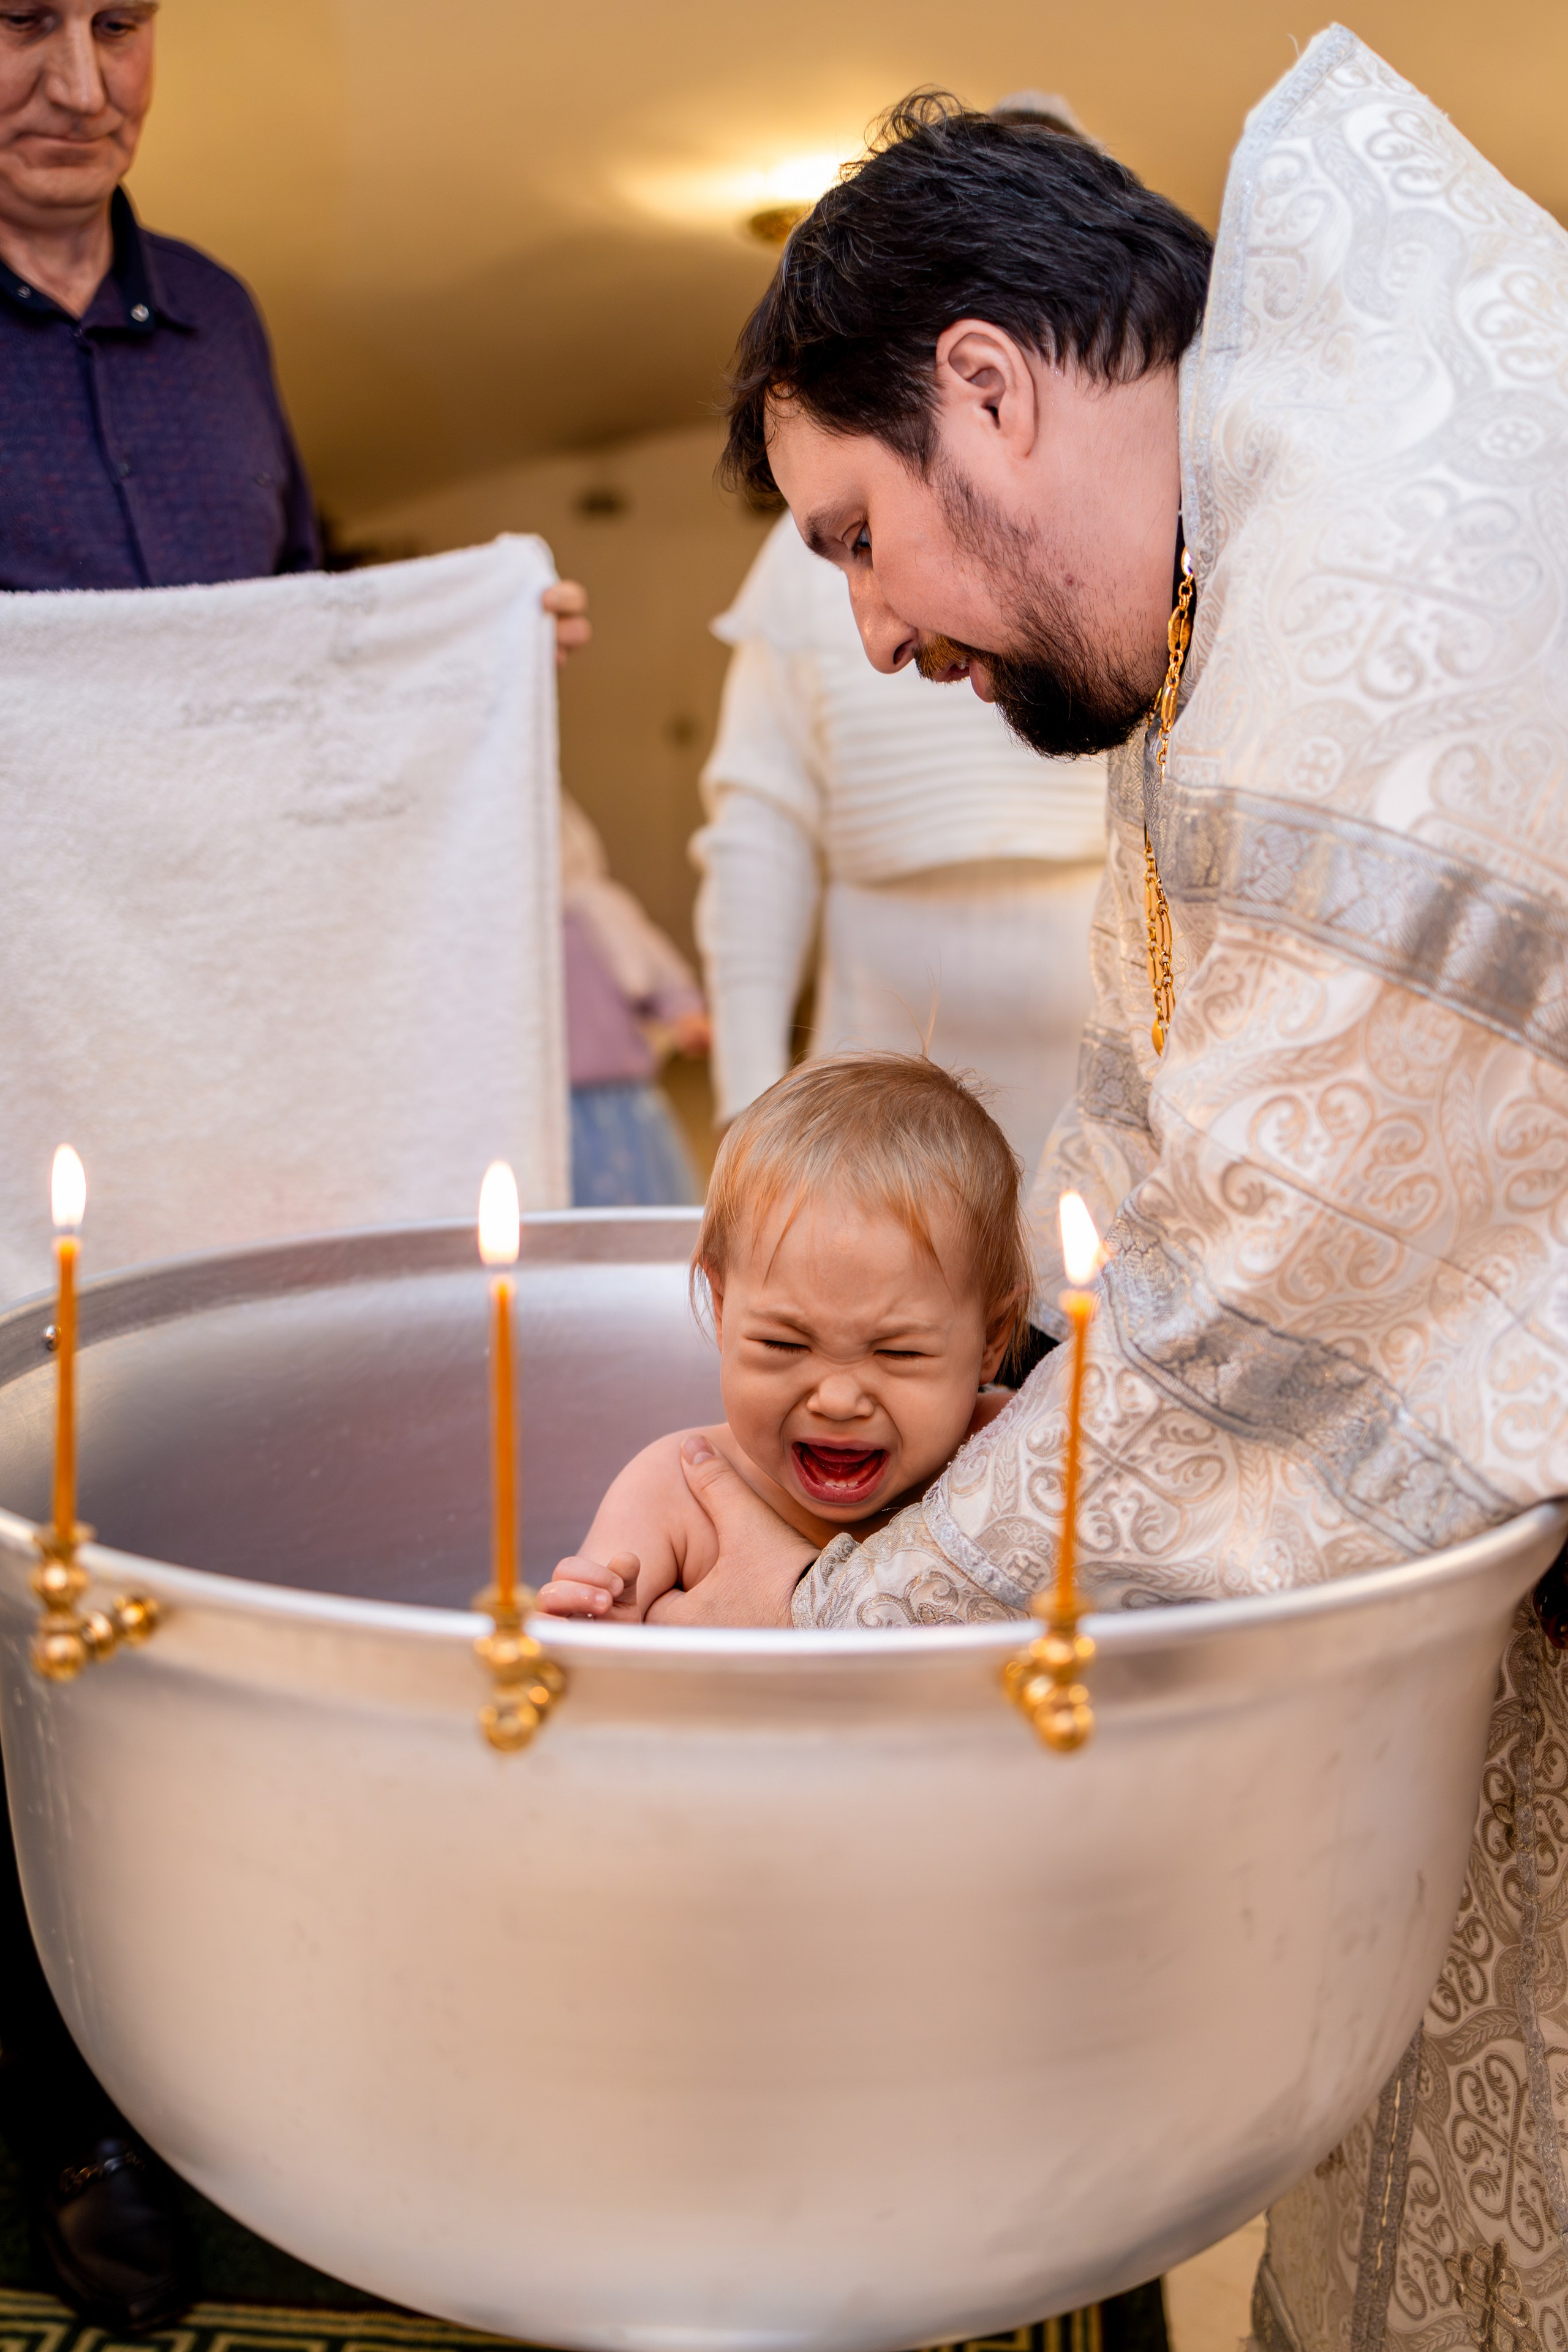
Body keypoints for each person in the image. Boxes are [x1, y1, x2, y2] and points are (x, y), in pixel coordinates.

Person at [643, 34, 1568, 2348]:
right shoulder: (1258, 559)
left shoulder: (1375, 612)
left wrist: (816, 1626)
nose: (865, 631)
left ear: (987, 388)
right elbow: (1157, 1214)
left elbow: (1253, 1343)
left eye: (856, 534)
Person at [0, 4, 590, 2328]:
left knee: (240, 1535)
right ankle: (62, 2107)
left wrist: (454, 634)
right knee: (31, 1567)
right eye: (18, 21)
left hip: (240, 1078)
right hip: (21, 1050)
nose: (75, 76)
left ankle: (231, 2066)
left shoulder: (220, 322)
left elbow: (291, 627)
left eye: (116, 20)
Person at [695, 451, 1103, 1186]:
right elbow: (759, 835)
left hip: (1102, 1042)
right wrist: (747, 1093)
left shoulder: (1085, 504)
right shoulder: (801, 559)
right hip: (876, 1040)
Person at [540, 1052, 1027, 1620]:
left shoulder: (1009, 1460)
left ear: (992, 1340)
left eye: (899, 1352)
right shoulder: (671, 1492)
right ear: (721, 1310)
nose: (839, 1401)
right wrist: (601, 1634)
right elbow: (573, 1680)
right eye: (785, 1345)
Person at [561, 795, 707, 1208]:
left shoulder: (603, 910)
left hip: (620, 1100)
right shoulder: (509, 925)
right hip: (553, 1103)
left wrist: (683, 1010)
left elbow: (655, 964)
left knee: (635, 1205)